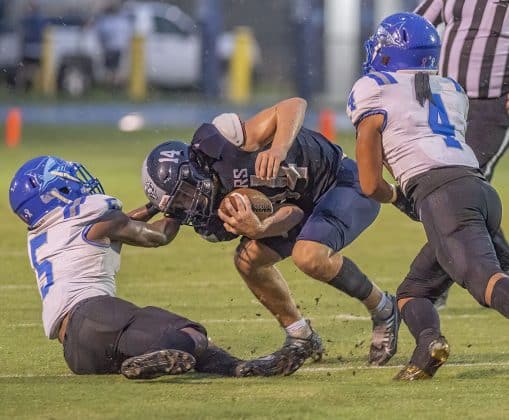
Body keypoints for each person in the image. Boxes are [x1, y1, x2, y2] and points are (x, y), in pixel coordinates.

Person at [141, 97, 400, 366]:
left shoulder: (228, 142)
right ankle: (301, 336)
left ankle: (383, 308)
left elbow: (294, 104)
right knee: (248, 260)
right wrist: (261, 228)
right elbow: (294, 214)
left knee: (309, 255)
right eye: (178, 203)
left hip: (342, 182)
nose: (189, 204)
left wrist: (278, 149)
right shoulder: (215, 208)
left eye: (184, 194)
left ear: (192, 168)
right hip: (300, 203)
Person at [8, 156, 306, 379]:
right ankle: (149, 359)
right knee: (191, 336)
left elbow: (122, 221)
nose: (78, 183)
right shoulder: (91, 219)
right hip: (94, 316)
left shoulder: (49, 231)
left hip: (78, 351)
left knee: (186, 350)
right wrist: (179, 205)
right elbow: (158, 236)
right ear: (52, 192)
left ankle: (240, 369)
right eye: (68, 181)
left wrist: (154, 206)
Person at [348, 12, 509, 380]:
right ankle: (428, 347)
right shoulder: (451, 89)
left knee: (487, 283)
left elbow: (370, 183)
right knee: (413, 292)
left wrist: (396, 196)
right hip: (480, 190)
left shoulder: (372, 88)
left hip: (444, 196)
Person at [415, 0, 509, 309]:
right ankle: (499, 273)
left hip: (490, 106)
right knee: (445, 192)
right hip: (445, 102)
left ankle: (430, 285)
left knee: (459, 191)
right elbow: (416, 24)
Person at [95, 3, 131, 86]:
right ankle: (113, 84)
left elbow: (103, 34)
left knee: (111, 68)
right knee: (113, 68)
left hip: (110, 47)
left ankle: (112, 85)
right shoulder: (120, 21)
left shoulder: (107, 21)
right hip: (115, 48)